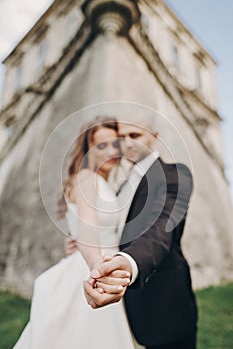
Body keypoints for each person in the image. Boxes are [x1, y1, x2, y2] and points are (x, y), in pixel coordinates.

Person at [13, 116, 137, 349]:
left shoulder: (104, 183)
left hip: (100, 262)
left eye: (114, 144)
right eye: (101, 145)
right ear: (88, 149)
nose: (110, 151)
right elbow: (88, 231)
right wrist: (98, 270)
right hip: (91, 268)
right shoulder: (87, 178)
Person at [82, 115, 198, 349]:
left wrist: (129, 262)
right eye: (121, 138)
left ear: (154, 137)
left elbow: (161, 229)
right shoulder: (123, 186)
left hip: (165, 307)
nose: (127, 143)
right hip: (126, 305)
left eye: (135, 135)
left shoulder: (174, 173)